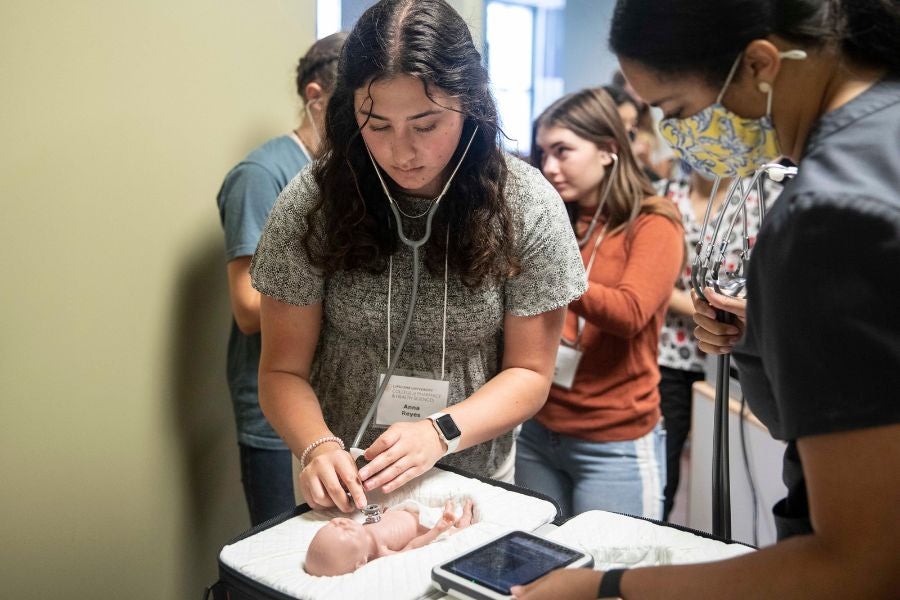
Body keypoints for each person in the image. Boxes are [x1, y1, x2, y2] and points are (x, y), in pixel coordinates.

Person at [513, 0, 900, 597]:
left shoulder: (828, 211)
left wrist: (606, 588)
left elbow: (860, 563)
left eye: (678, 111)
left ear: (761, 65)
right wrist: (777, 329)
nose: (678, 136)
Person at [250, 0, 586, 515]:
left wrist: (441, 431)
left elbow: (531, 373)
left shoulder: (526, 205)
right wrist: (316, 446)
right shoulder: (314, 202)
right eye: (377, 124)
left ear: (470, 104)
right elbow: (281, 373)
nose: (402, 151)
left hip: (474, 481)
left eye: (426, 125)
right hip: (347, 482)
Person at [516, 88, 684, 521]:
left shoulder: (654, 221)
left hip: (615, 444)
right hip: (538, 429)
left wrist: (542, 264)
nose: (549, 167)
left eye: (563, 151)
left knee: (609, 577)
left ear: (609, 149)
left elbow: (629, 313)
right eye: (543, 152)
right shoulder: (557, 217)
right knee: (538, 571)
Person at [216, 32, 347, 526]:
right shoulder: (262, 174)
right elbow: (249, 308)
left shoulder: (342, 174)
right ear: (315, 98)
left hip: (330, 404)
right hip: (275, 412)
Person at [655, 164, 780, 521]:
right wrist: (710, 308)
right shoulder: (665, 195)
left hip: (736, 351)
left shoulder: (762, 194)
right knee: (668, 461)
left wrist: (710, 306)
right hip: (671, 353)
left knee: (727, 462)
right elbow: (653, 281)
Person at [305, 499, 474, 576]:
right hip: (426, 525)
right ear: (362, 561)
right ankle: (464, 520)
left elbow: (376, 521)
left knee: (446, 508)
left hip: (408, 508)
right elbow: (413, 547)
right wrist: (436, 531)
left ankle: (452, 511)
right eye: (345, 532)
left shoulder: (363, 528)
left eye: (333, 523)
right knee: (455, 529)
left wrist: (384, 513)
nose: (341, 523)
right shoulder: (381, 552)